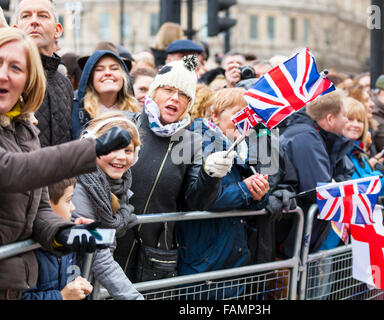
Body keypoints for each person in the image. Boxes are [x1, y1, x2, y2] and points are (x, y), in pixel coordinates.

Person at [0, 27, 110, 300]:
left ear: (28, 81)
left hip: (15, 285)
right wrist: (89, 150)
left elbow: (36, 208)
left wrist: (64, 234)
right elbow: (12, 171)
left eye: (15, 67)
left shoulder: (25, 130)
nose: (3, 74)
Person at [114, 55, 234, 283]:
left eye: (183, 95)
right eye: (168, 90)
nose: (174, 98)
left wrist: (210, 175)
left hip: (153, 256)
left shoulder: (193, 142)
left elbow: (197, 201)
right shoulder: (123, 123)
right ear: (154, 92)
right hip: (110, 245)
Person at [175, 88, 269, 298]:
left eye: (249, 114)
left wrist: (259, 194)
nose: (245, 120)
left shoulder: (244, 147)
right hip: (204, 256)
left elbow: (248, 198)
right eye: (238, 113)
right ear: (215, 115)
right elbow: (204, 198)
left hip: (231, 252)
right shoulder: (196, 141)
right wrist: (245, 189)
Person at [72, 111, 144, 300]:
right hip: (71, 281)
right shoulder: (80, 186)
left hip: (86, 283)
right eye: (113, 149)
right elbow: (99, 257)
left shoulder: (119, 185)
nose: (121, 157)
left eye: (128, 150)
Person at [279, 89, 354, 255]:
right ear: (330, 119)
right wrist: (338, 185)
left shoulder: (313, 135)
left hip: (305, 233)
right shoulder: (306, 138)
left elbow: (343, 172)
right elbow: (318, 189)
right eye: (344, 115)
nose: (347, 121)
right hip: (295, 236)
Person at [22, 178, 94, 300]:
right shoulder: (25, 249)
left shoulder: (66, 238)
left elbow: (72, 276)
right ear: (45, 205)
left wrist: (81, 290)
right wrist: (61, 297)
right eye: (69, 200)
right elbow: (20, 296)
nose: (73, 208)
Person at [14, 0, 73, 147]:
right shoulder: (7, 79)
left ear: (58, 30)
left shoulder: (65, 84)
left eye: (42, 16)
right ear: (15, 30)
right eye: (26, 16)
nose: (34, 21)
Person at [342, 97, 384, 197]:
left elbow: (371, 192)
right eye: (350, 119)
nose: (355, 124)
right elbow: (352, 190)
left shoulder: (359, 153)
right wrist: (381, 177)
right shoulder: (338, 154)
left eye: (359, 121)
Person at [71, 50, 139, 139]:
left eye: (114, 68)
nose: (108, 73)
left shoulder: (138, 114)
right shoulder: (73, 111)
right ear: (89, 78)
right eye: (99, 69)